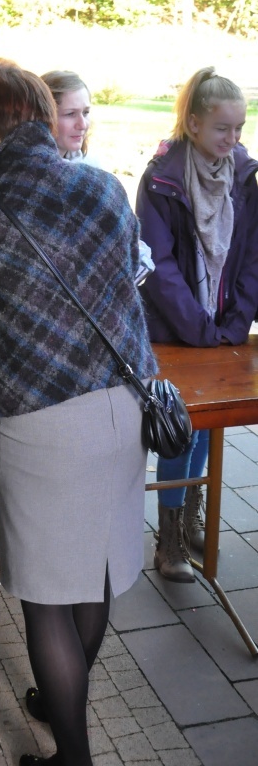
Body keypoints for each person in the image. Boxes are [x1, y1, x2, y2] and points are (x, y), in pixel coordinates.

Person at [0, 61, 154, 766]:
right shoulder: (102, 185)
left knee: (46, 599)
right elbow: (128, 285)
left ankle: (73, 756)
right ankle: (67, 703)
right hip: (123, 409)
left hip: (41, 428)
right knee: (91, 573)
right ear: (40, 114)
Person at [136, 67, 258, 582]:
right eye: (221, 128)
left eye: (239, 128)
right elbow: (157, 265)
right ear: (193, 124)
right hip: (175, 330)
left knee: (209, 427)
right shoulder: (161, 178)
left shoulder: (245, 176)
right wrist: (198, 328)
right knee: (180, 431)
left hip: (222, 328)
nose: (232, 139)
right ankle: (169, 540)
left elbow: (251, 256)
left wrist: (235, 322)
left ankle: (190, 517)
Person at [41, 69, 104, 168]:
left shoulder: (91, 166)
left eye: (85, 112)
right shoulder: (27, 171)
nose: (82, 125)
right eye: (70, 114)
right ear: (44, 117)